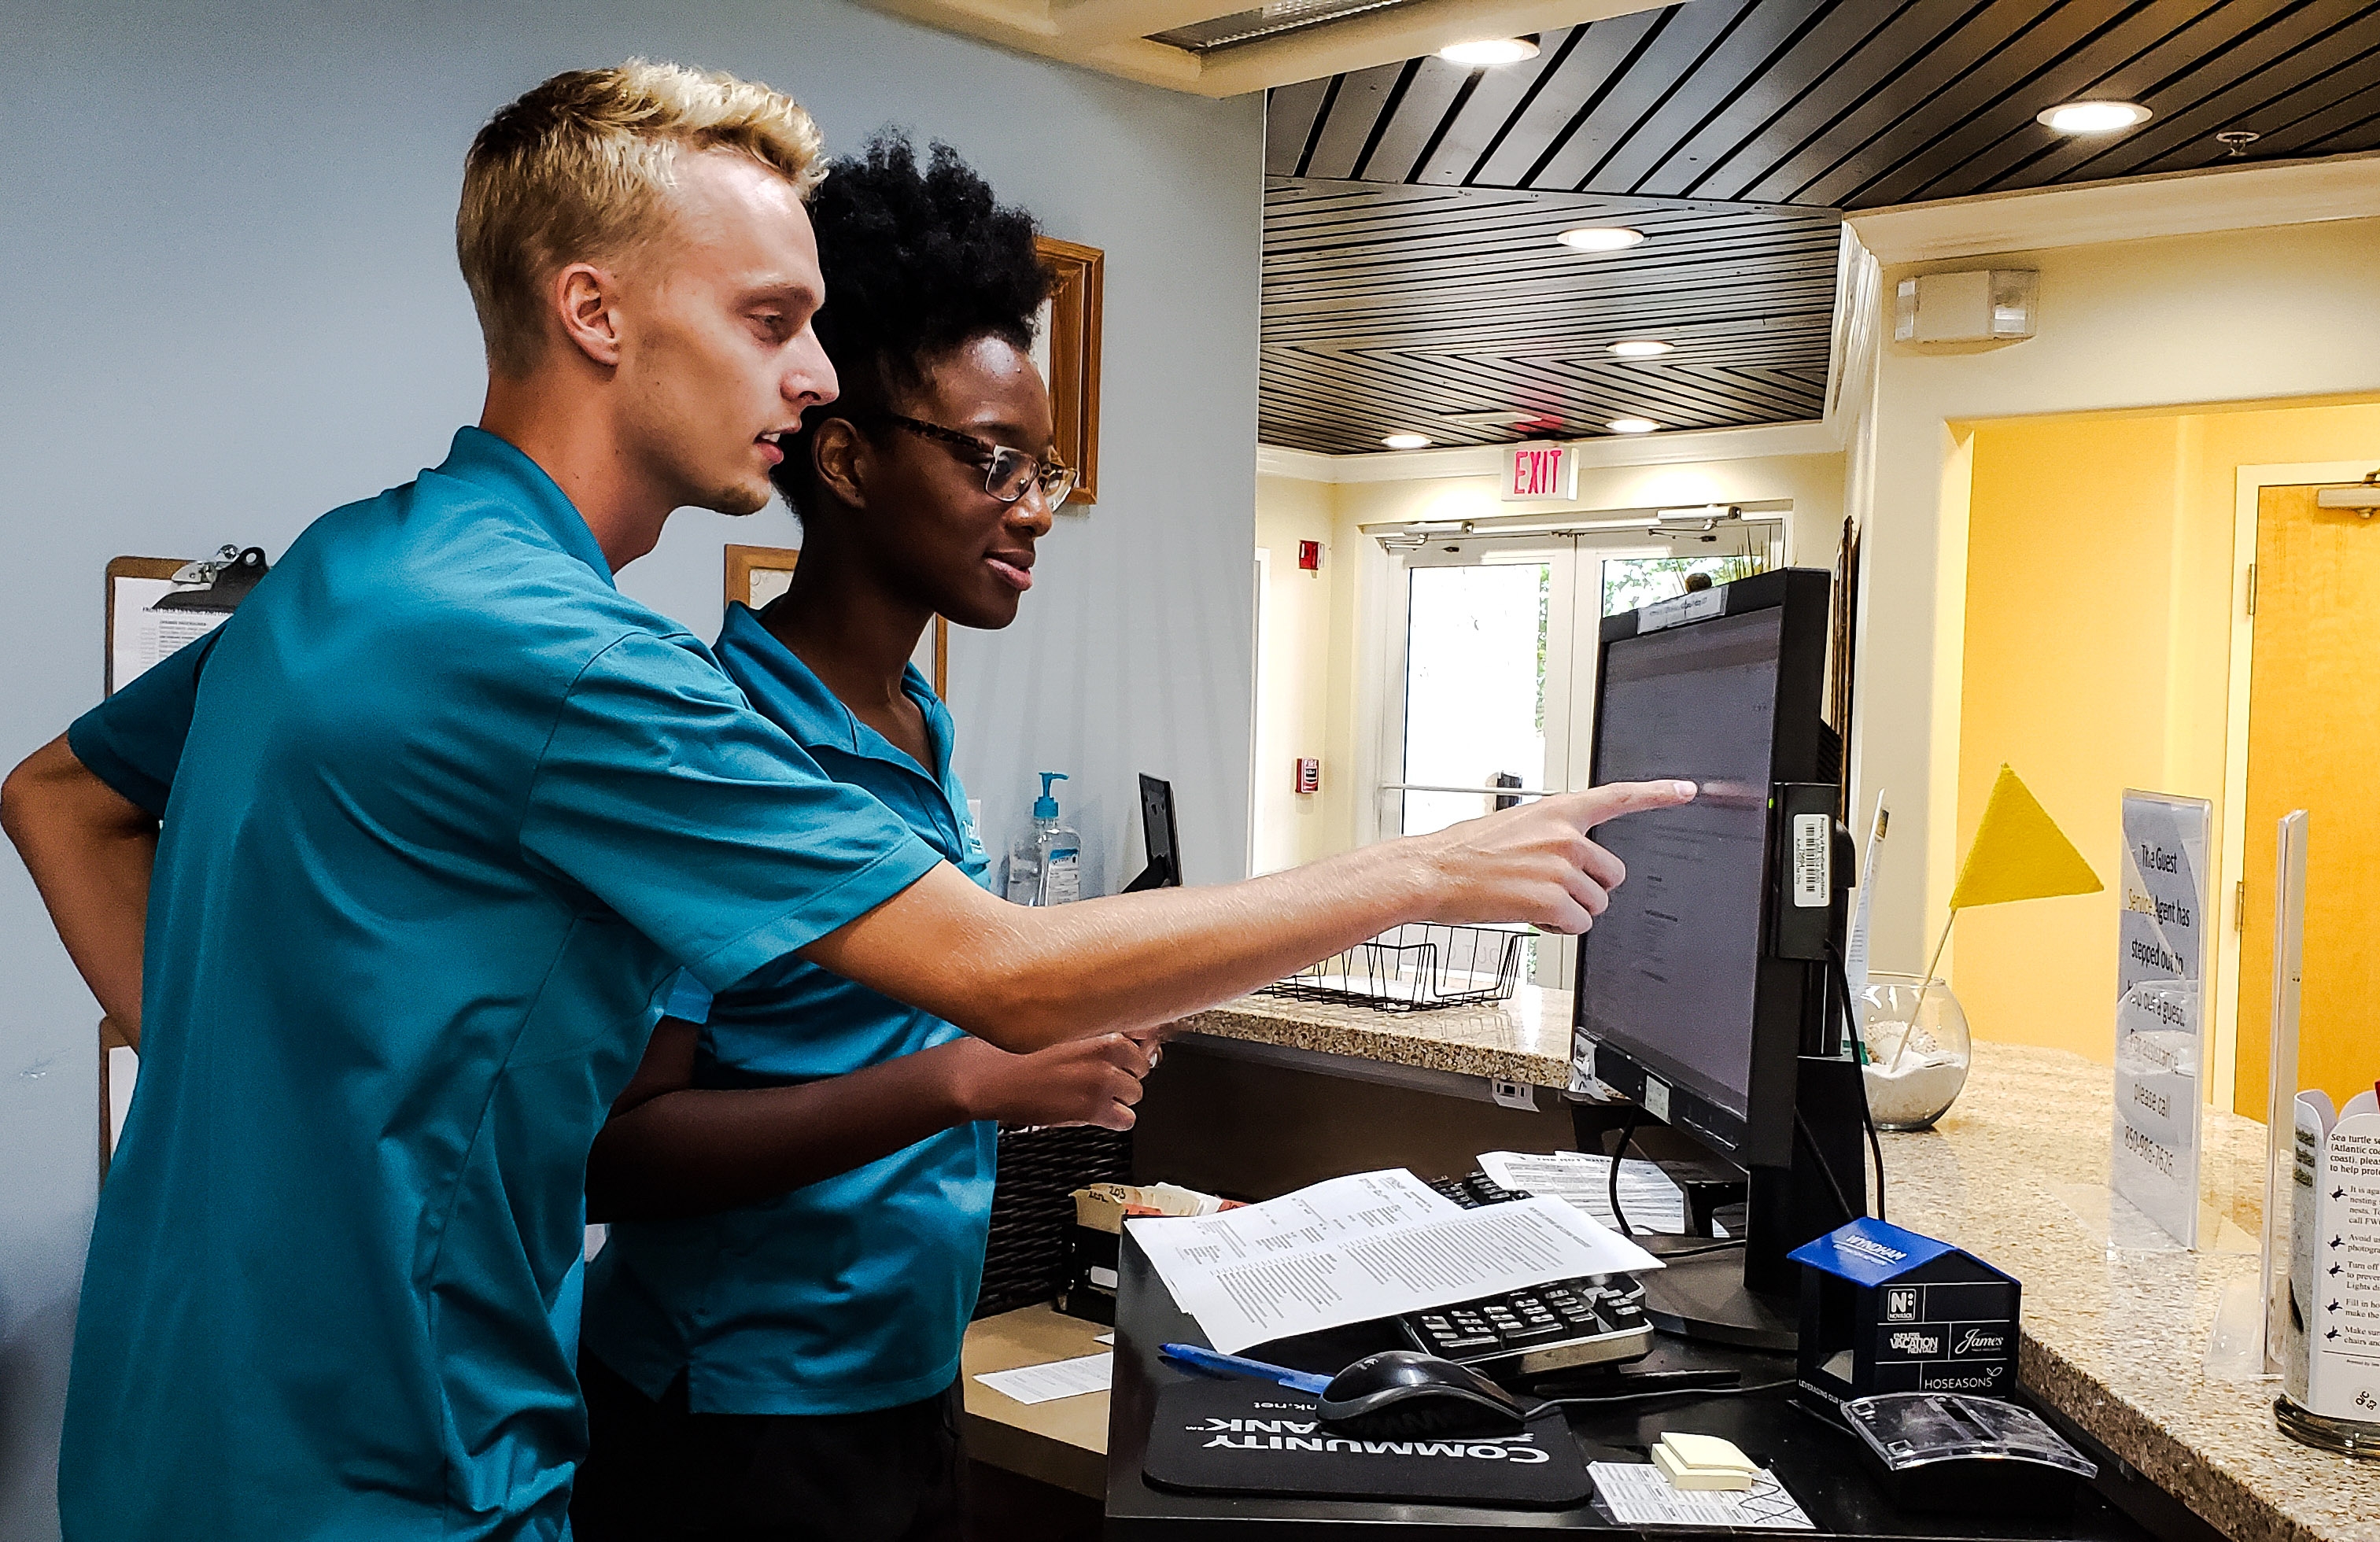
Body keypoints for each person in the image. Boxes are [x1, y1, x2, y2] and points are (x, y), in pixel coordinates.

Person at [0, 61, 1688, 1542]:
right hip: (390, 1465)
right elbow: (1005, 973)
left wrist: (263, 1092)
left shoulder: (355, 563)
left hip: (166, 1432)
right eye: (769, 322)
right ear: (594, 313)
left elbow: (61, 794)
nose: (812, 377)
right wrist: (1427, 867)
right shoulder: (577, 656)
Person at [571, 136, 1128, 1540]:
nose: (1036, 508)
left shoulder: (913, 720)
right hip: (735, 1418)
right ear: (847, 458)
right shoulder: (711, 742)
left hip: (898, 1379)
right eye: (995, 461)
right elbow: (619, 1151)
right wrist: (965, 1081)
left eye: (1046, 468)